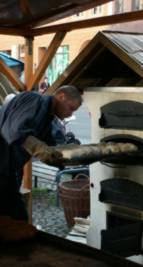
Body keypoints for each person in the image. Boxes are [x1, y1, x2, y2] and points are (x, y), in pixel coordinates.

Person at [0, 85, 82, 222]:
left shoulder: (48, 117)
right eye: (71, 108)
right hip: (2, 164)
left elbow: (51, 145)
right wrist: (41, 150)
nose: (70, 114)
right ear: (61, 96)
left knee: (16, 216)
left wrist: (71, 156)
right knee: (12, 216)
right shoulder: (34, 99)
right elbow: (14, 131)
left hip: (11, 169)